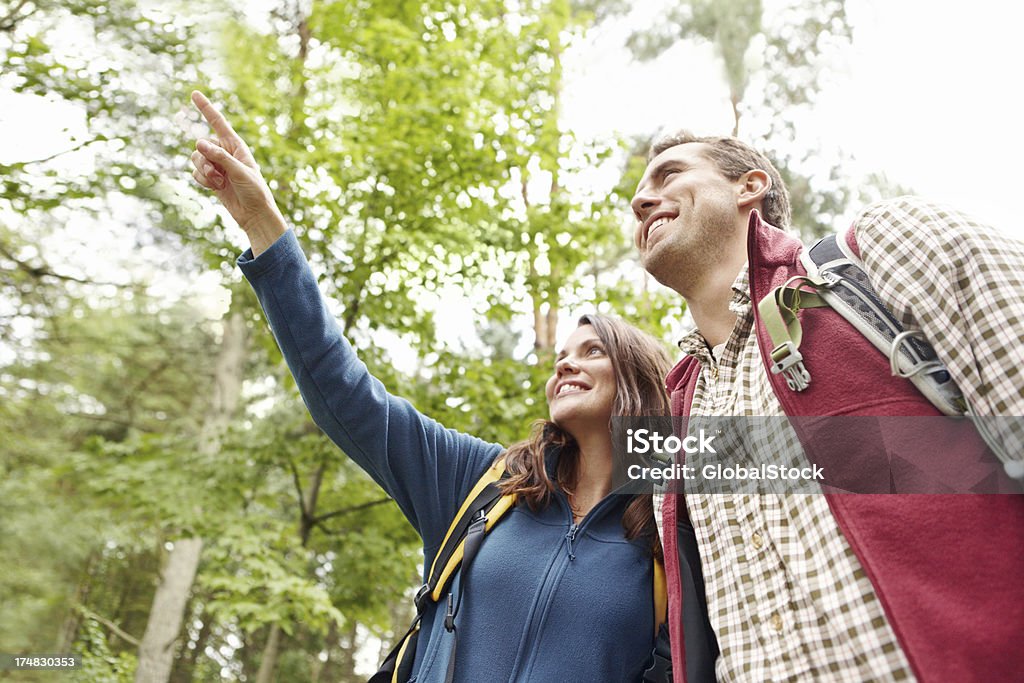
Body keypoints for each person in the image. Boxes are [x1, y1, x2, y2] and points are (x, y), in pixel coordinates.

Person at [187, 90, 675, 682]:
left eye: (592, 352)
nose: (564, 367)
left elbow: (811, 456)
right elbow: (341, 390)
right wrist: (261, 222)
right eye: (560, 357)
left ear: (642, 381)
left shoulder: (673, 529)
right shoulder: (485, 484)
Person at [630, 131, 1024, 681]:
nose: (640, 200)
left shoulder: (886, 248)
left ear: (751, 186)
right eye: (640, 191)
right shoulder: (675, 413)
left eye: (669, 175)